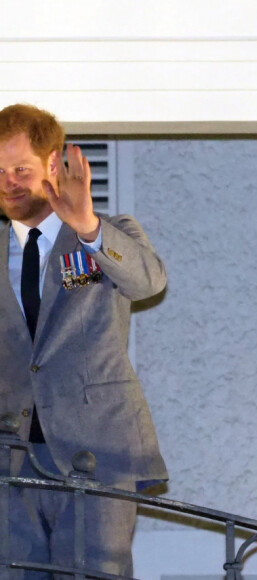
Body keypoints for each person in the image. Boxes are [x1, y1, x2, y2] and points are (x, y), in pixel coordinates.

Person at [0, 103, 168, 577]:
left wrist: (87, 227)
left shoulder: (108, 235)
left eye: (20, 169)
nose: (9, 181)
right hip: (10, 457)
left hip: (97, 452)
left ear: (53, 165)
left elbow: (149, 281)